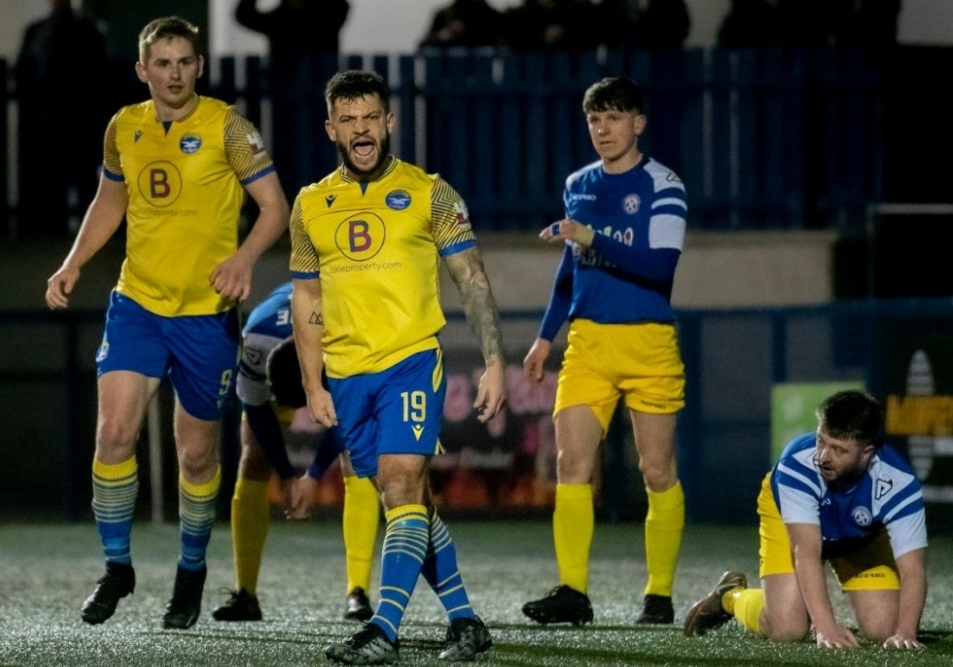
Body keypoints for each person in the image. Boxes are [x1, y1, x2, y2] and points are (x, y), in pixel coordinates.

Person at [43, 16, 290, 630]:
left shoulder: (230, 127)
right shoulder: (123, 127)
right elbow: (111, 199)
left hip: (206, 317)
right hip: (138, 306)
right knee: (112, 435)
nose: (175, 73)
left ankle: (190, 570)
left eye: (184, 62)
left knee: (197, 456)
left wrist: (243, 259)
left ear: (199, 67)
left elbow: (275, 208)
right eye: (163, 63)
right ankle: (117, 567)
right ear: (142, 70)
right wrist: (73, 263)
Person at [290, 69, 507, 664]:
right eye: (348, 120)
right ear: (331, 128)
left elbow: (471, 277)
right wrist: (312, 382)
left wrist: (494, 361)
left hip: (410, 362)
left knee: (401, 481)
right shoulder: (309, 204)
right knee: (406, 503)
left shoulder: (432, 193)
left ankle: (382, 630)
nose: (361, 130)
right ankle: (465, 621)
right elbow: (306, 297)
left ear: (389, 122)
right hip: (347, 375)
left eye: (371, 118)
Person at [521, 75, 688, 627]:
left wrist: (591, 236)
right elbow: (569, 268)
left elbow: (660, 265)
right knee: (571, 464)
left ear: (638, 124)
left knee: (656, 469)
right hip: (588, 343)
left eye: (614, 118)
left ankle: (658, 595)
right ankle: (573, 591)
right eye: (595, 119)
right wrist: (545, 336)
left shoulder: (664, 184)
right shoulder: (579, 184)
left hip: (648, 342)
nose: (603, 129)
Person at [684, 390, 928, 650]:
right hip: (793, 524)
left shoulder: (900, 482)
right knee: (787, 628)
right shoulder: (797, 465)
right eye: (821, 441)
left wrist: (905, 632)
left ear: (867, 453)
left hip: (859, 538)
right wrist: (826, 627)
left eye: (839, 449)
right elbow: (806, 551)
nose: (823, 457)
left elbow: (912, 569)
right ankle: (731, 597)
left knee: (885, 629)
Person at [212, 282, 381, 623]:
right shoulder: (255, 343)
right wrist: (287, 475)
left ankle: (357, 591)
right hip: (285, 349)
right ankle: (246, 594)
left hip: (335, 354)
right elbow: (258, 411)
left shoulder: (344, 337)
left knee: (357, 458)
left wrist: (314, 475)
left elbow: (345, 422)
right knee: (253, 457)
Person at [234, 0, 350, 204]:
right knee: (292, 156)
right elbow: (244, 16)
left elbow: (244, 15)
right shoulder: (293, 17)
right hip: (293, 101)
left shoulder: (316, 15)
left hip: (313, 100)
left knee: (317, 155)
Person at [14, 0, 109, 240]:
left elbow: (27, 71)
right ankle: (75, 229)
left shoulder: (42, 32)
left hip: (61, 116)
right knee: (71, 176)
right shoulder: (85, 32)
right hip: (72, 116)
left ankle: (58, 227)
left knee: (63, 176)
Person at [419, 0, 505, 49]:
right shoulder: (444, 15)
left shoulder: (488, 15)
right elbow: (424, 44)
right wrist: (444, 35)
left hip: (483, 67)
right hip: (450, 67)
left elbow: (502, 41)